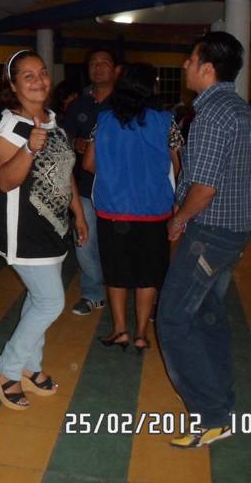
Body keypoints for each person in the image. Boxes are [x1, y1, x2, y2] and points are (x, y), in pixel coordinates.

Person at [157, 32, 251, 448]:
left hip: (210, 233)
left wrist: (179, 220)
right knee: (206, 314)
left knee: (172, 318)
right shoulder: (242, 110)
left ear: (208, 68)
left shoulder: (213, 115)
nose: (185, 65)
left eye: (191, 58)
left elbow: (204, 188)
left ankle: (212, 416)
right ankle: (221, 401)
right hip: (233, 231)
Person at [0, 49, 88, 410]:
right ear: (13, 85)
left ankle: (30, 368)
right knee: (50, 301)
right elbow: (4, 181)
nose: (38, 80)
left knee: (38, 299)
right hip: (24, 230)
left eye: (42, 72)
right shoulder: (9, 127)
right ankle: (6, 370)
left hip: (53, 227)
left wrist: (78, 213)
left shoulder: (53, 121)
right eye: (27, 75)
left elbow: (64, 172)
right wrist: (28, 149)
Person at [83, 63, 183, 354]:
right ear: (151, 88)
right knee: (148, 273)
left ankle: (119, 330)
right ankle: (141, 333)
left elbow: (88, 163)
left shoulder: (104, 120)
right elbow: (178, 167)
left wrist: (116, 172)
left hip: (113, 210)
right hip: (154, 210)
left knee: (116, 272)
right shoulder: (166, 121)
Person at [62, 47, 121, 316]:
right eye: (93, 63)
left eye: (103, 62)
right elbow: (65, 138)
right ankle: (93, 293)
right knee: (84, 241)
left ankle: (123, 288)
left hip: (120, 188)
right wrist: (76, 142)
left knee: (118, 243)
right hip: (86, 186)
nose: (97, 67)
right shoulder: (79, 105)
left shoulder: (124, 103)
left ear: (116, 70)